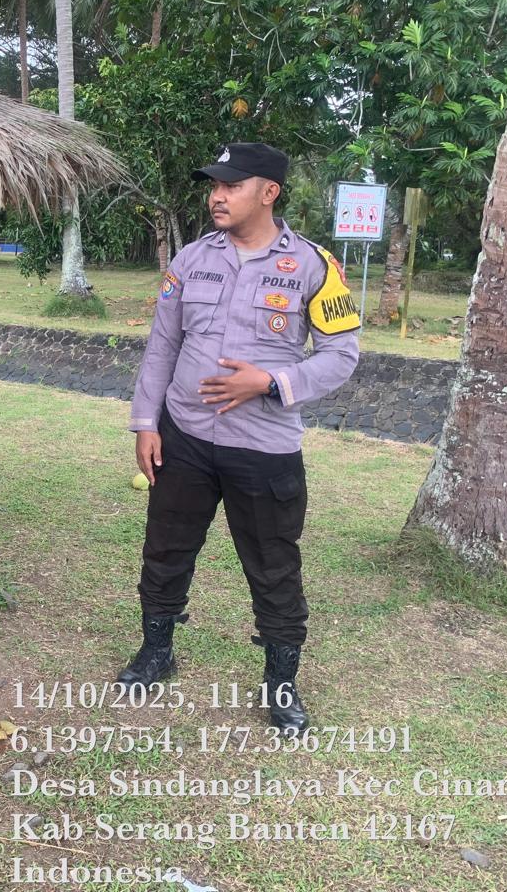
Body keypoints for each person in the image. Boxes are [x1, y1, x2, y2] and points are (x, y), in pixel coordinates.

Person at [120, 142, 360, 736]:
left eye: (231, 185)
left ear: (268, 192)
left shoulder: (314, 266)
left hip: (264, 447)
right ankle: (156, 651)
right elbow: (163, 346)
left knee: (274, 566)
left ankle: (281, 684)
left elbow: (341, 355)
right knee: (165, 550)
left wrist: (270, 382)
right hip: (185, 437)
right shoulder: (191, 258)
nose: (217, 196)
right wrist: (146, 422)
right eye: (214, 186)